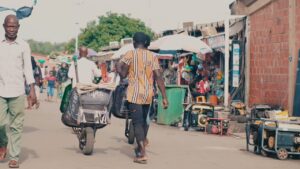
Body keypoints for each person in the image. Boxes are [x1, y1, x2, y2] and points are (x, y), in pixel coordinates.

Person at [117, 32, 168, 164]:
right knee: (144, 122)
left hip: (134, 94)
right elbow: (159, 77)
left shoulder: (130, 54)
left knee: (137, 123)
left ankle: (142, 153)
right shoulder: (153, 56)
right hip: (147, 95)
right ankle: (142, 143)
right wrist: (164, 97)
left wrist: (119, 69)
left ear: (134, 42)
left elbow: (122, 73)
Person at [0, 14, 37, 168]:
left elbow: (28, 68)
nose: (11, 29)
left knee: (16, 126)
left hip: (17, 91)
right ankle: (3, 143)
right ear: (4, 27)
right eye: (9, 26)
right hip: (0, 90)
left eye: (14, 26)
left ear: (18, 28)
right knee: (1, 124)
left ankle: (14, 156)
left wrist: (32, 89)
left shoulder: (23, 45)